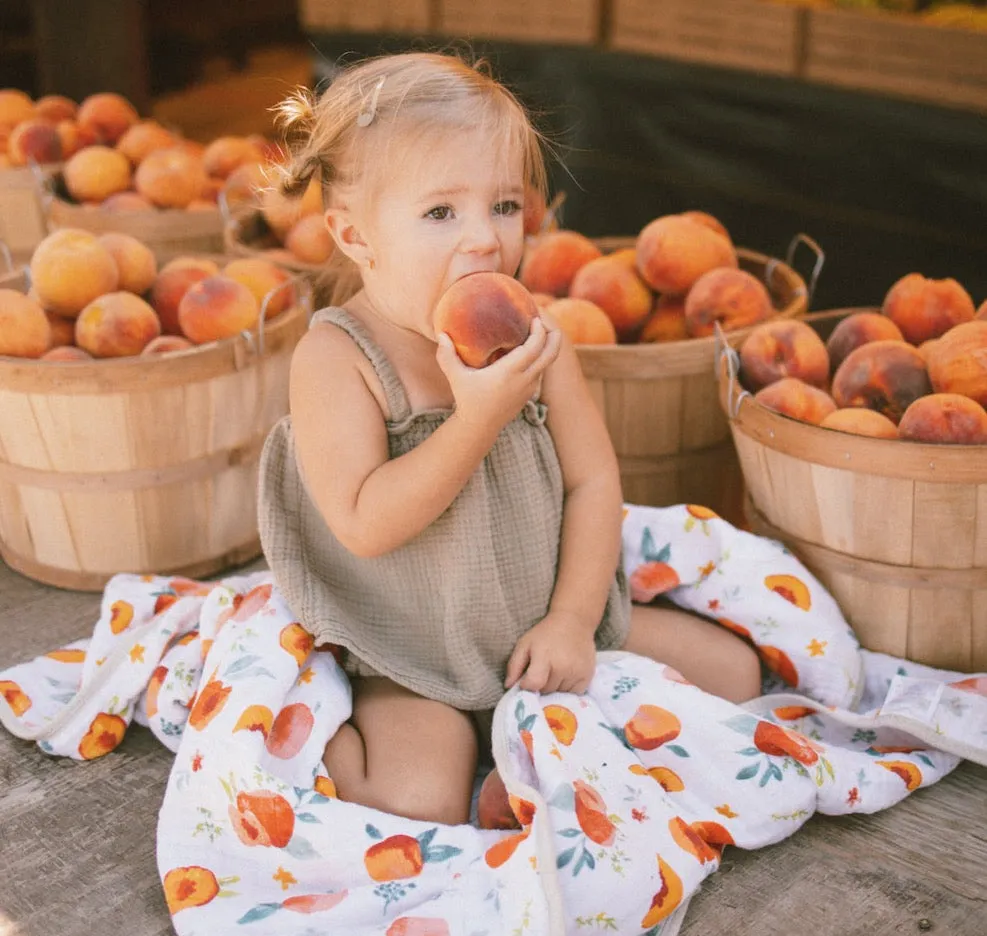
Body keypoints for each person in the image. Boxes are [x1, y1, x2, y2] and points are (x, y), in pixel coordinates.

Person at [258, 51, 761, 828]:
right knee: (418, 800)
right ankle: (314, 736)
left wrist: (569, 621)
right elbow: (365, 522)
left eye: (502, 205)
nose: (485, 240)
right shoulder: (337, 357)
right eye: (440, 213)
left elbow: (592, 482)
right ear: (354, 234)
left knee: (736, 676)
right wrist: (476, 418)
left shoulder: (531, 334)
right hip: (416, 648)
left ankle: (528, 755)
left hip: (539, 622)